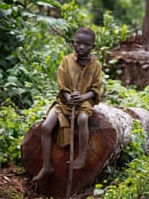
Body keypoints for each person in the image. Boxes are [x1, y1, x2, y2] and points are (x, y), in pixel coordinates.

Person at [33, 27, 102, 181]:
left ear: (93, 46)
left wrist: (82, 96)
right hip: (64, 103)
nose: (82, 47)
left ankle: (81, 157)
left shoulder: (95, 65)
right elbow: (61, 85)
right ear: (73, 43)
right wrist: (68, 95)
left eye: (86, 44)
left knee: (83, 119)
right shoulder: (66, 61)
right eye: (78, 43)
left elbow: (95, 89)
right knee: (46, 126)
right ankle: (47, 166)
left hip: (84, 102)